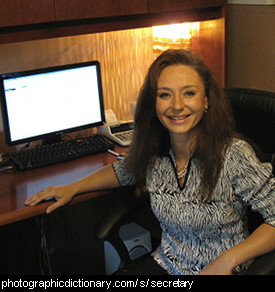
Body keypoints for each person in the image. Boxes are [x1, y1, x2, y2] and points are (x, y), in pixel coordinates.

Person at [25, 49, 275, 275]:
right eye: (165, 95)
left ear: (206, 100)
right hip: (167, 264)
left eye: (189, 93)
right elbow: (124, 171)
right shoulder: (155, 150)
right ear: (154, 103)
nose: (177, 106)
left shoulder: (233, 155)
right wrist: (73, 187)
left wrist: (228, 260)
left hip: (223, 270)